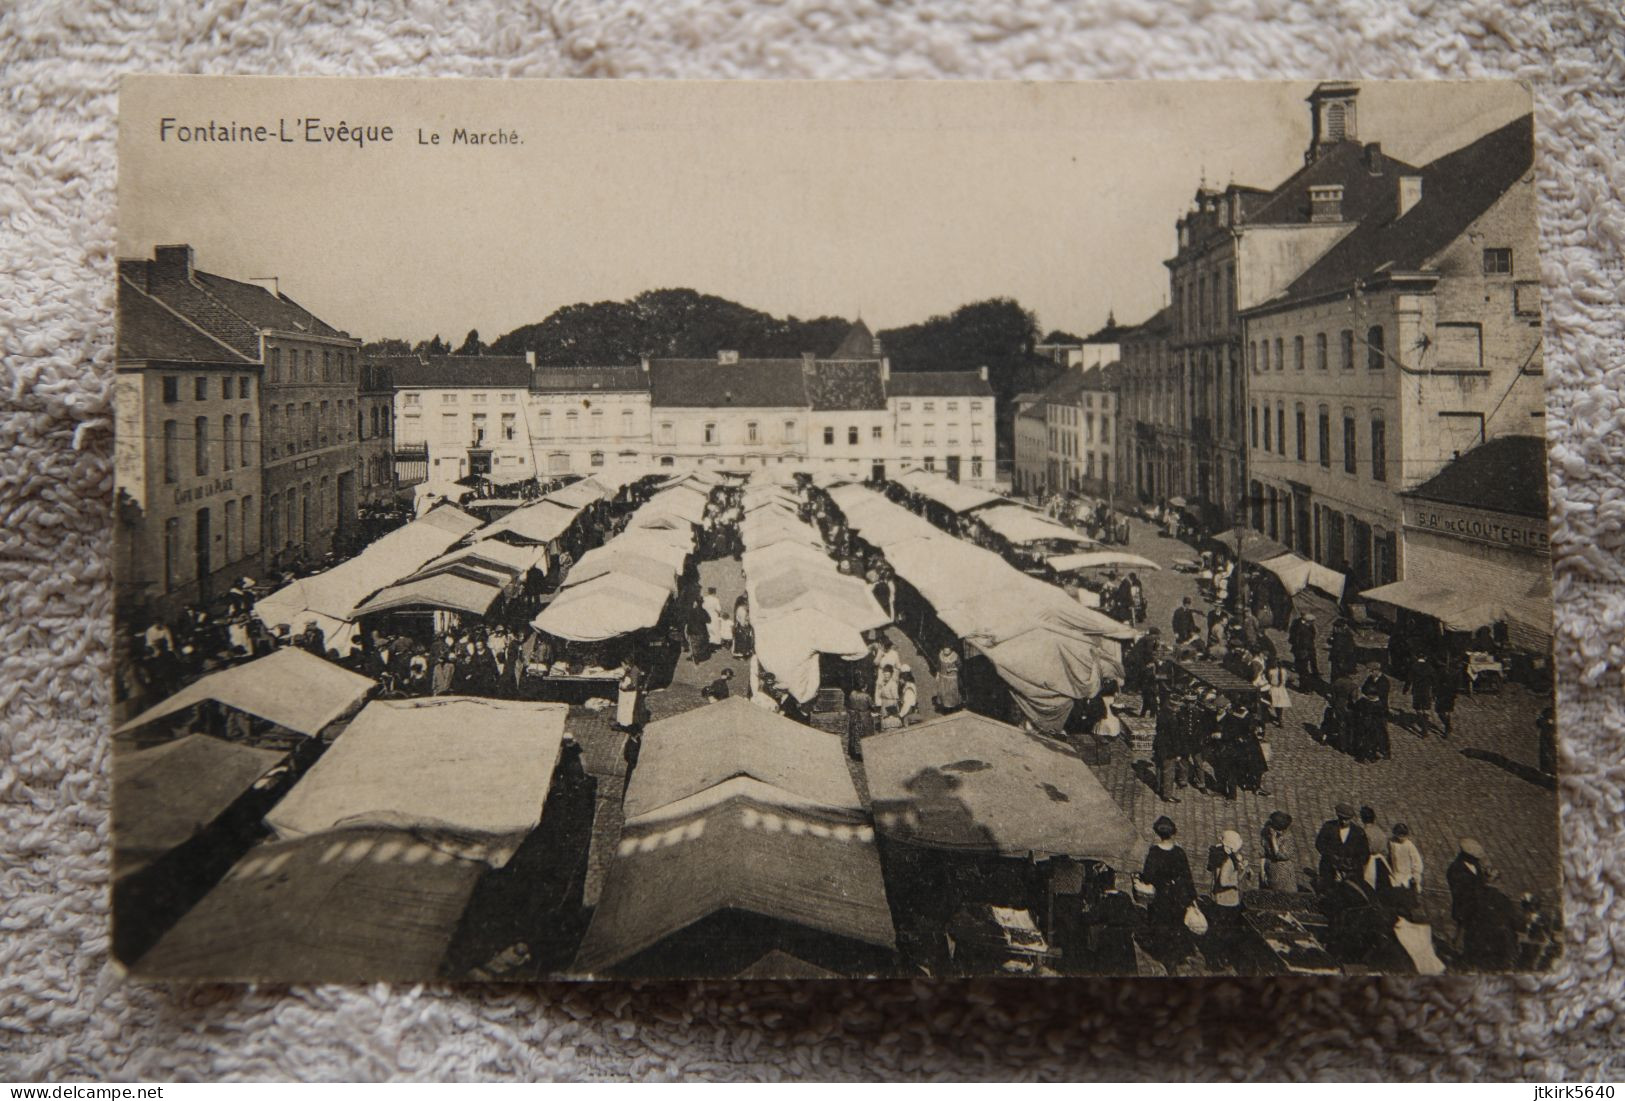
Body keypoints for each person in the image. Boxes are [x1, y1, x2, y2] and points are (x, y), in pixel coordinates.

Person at [1138, 816, 1196, 970]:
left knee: (1161, 925)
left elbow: (1148, 876)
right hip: (1178, 894)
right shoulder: (1179, 852)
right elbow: (1187, 876)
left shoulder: (1154, 853)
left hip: (1161, 895)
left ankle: (1165, 956)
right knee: (1177, 923)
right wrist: (1192, 898)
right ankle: (1178, 954)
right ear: (1173, 833)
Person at [1206, 830, 1249, 967]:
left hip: (1217, 898)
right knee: (1226, 932)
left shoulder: (1217, 854)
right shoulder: (1228, 861)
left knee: (1218, 930)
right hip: (1228, 901)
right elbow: (1224, 881)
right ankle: (1221, 959)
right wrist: (1241, 873)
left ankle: (1214, 958)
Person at [1315, 803, 1370, 888]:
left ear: (1351, 818)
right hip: (1329, 869)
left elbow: (1365, 854)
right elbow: (1319, 844)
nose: (1343, 821)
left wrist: (1352, 864)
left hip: (1351, 872)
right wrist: (1331, 857)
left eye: (1346, 819)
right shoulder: (1328, 827)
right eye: (1341, 818)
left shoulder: (1358, 833)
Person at [1447, 837, 1490, 942]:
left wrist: (1485, 878)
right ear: (1466, 856)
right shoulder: (1456, 869)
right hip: (1464, 905)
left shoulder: (1475, 864)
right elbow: (1459, 891)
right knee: (1462, 929)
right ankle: (1457, 946)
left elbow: (1478, 880)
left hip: (1475, 904)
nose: (1478, 860)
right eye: (1475, 858)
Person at [1260, 810, 1297, 891]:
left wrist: (1273, 840)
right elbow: (1262, 853)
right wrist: (1262, 871)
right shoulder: (1266, 831)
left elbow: (1279, 855)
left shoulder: (1287, 838)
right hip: (1269, 867)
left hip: (1282, 870)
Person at [1409, 651, 1436, 734]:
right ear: (1425, 658)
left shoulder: (1414, 666)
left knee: (1417, 709)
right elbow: (1434, 679)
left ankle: (1424, 727)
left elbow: (1409, 679)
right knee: (1426, 709)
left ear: (1417, 657)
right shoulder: (1430, 667)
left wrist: (1405, 689)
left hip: (1417, 690)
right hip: (1426, 691)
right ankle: (1425, 726)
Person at [845, 684, 875, 760]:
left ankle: (853, 753)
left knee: (854, 734)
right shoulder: (866, 696)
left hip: (854, 717)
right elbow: (872, 706)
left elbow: (848, 704)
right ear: (864, 687)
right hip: (864, 717)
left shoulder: (852, 694)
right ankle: (863, 753)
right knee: (865, 734)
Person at [1433, 657, 1460, 739]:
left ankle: (1447, 727)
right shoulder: (1456, 672)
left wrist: (1434, 693)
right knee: (1447, 711)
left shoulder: (1441, 672)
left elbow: (1436, 683)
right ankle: (1447, 727)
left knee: (1439, 711)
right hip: (1450, 694)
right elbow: (1458, 684)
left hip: (1442, 693)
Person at [614, 663, 641, 732]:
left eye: (623, 665)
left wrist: (624, 687)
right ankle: (622, 724)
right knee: (623, 709)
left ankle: (628, 727)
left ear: (628, 664)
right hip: (626, 693)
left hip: (630, 693)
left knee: (628, 710)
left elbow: (633, 684)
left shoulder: (634, 671)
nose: (623, 667)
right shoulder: (629, 669)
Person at [936, 645, 963, 712]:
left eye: (947, 650)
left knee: (951, 694)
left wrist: (952, 669)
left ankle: (952, 708)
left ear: (951, 650)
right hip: (943, 678)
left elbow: (960, 666)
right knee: (943, 693)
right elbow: (938, 666)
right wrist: (937, 675)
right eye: (944, 650)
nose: (945, 651)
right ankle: (945, 708)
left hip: (952, 679)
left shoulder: (955, 656)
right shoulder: (941, 655)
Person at [732, 595, 754, 660]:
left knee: (741, 640)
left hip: (740, 626)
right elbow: (742, 621)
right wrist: (746, 625)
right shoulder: (742, 610)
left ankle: (743, 652)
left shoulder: (739, 609)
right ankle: (741, 653)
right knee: (743, 640)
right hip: (742, 627)